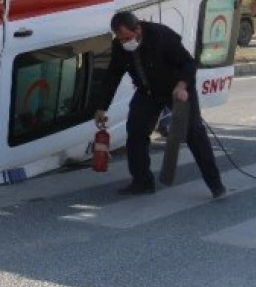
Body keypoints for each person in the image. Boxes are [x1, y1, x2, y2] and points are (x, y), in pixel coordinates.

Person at [93, 11, 226, 198]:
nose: (125, 43)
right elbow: (112, 76)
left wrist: (182, 86)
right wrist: (101, 107)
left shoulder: (161, 36)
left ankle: (215, 185)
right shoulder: (119, 47)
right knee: (136, 131)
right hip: (148, 92)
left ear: (138, 28)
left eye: (128, 38)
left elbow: (188, 64)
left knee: (194, 132)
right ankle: (142, 182)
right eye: (121, 39)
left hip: (177, 90)